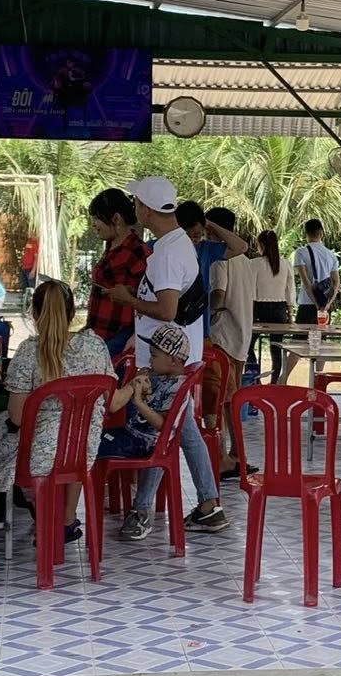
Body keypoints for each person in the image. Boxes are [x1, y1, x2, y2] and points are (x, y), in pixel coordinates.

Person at [0, 279, 111, 529]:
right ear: (72, 312)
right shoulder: (95, 346)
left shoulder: (30, 351)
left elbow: (17, 417)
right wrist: (133, 387)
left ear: (34, 313)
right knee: (3, 432)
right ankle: (63, 515)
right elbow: (111, 400)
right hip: (81, 452)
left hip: (37, 457)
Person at [98, 321, 226, 541]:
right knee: (163, 443)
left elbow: (162, 426)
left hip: (142, 440)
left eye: (154, 356)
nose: (149, 360)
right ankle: (206, 507)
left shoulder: (176, 385)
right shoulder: (160, 375)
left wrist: (139, 401)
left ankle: (141, 511)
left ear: (173, 360)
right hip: (143, 436)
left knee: (157, 444)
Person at [210, 227, 288, 474]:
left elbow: (219, 295)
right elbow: (288, 293)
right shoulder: (248, 262)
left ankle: (222, 457)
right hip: (246, 330)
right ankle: (237, 454)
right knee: (233, 399)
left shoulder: (221, 261)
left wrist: (206, 312)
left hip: (222, 338)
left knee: (218, 402)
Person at [113, 175, 204, 369]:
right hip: (167, 362)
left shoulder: (168, 254)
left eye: (136, 203)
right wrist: (138, 293)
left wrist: (129, 301)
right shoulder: (177, 242)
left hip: (166, 368)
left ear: (146, 210)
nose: (134, 209)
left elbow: (166, 311)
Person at [85, 186, 145, 356]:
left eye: (98, 218)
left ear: (116, 219)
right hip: (98, 334)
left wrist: (135, 335)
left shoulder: (138, 252)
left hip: (118, 338)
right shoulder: (111, 247)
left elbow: (148, 298)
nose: (94, 224)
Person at [292, 219, 341, 326]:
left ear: (306, 234)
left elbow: (307, 283)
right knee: (321, 335)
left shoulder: (300, 253)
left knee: (301, 335)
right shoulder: (331, 255)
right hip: (325, 304)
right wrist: (328, 303)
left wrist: (316, 304)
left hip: (306, 302)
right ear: (321, 234)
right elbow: (336, 282)